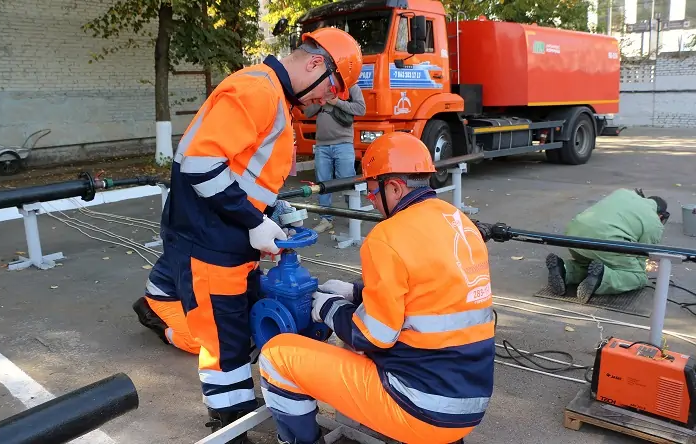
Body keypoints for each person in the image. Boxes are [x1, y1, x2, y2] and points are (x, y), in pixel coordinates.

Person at [132, 27, 363, 444]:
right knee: (223, 341)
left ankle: (235, 411)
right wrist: (253, 222)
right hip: (208, 238)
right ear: (315, 63)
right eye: (332, 87)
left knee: (232, 332)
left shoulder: (271, 95)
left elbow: (241, 172)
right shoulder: (258, 91)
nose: (327, 99)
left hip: (222, 234)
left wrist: (273, 212)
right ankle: (230, 423)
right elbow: (201, 164)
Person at [256, 132, 496, 444]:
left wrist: (325, 307)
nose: (372, 201)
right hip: (469, 404)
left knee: (277, 356)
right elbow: (424, 292)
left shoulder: (388, 236)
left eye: (372, 193)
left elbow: (371, 337)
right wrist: (354, 292)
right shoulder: (458, 221)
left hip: (420, 407)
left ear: (394, 187)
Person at [545, 187, 669, 302]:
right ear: (661, 215)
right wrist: (637, 270)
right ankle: (602, 279)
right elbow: (642, 253)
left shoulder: (623, 192)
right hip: (606, 241)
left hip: (573, 236)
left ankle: (564, 270)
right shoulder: (654, 222)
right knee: (638, 277)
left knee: (590, 263)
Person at [302, 83, 366, 233]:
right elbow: (307, 113)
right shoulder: (320, 87)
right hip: (322, 145)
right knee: (323, 183)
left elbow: (361, 109)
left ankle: (355, 215)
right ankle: (326, 219)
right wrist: (320, 101)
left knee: (347, 181)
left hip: (343, 143)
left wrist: (336, 101)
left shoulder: (351, 87)